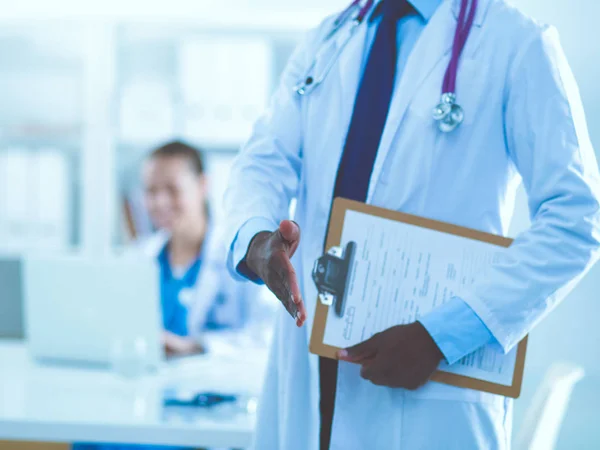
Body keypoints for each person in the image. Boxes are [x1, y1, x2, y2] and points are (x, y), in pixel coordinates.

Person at [222, 0, 600, 449]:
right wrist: (256, 238)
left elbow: (576, 217)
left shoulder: (518, 44)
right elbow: (262, 161)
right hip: (308, 372)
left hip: (431, 384)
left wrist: (441, 336)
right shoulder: (330, 37)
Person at [74, 141, 272, 450]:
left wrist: (196, 347)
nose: (159, 202)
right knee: (89, 439)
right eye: (151, 192)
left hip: (206, 415)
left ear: (203, 186)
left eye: (171, 189)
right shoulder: (140, 258)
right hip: (143, 405)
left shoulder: (239, 258)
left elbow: (265, 341)